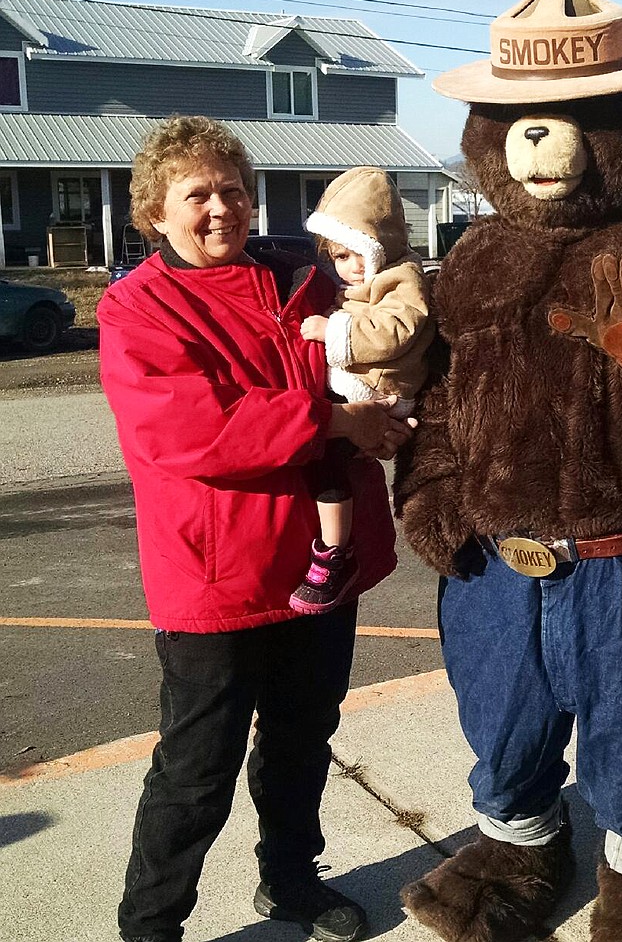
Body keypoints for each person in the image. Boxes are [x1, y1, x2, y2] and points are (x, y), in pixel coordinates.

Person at [98, 116, 414, 942]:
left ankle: (290, 879)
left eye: (232, 190)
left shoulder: (300, 280)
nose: (219, 210)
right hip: (217, 576)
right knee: (196, 768)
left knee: (304, 738)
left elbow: (385, 341)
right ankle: (151, 923)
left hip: (321, 561)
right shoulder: (138, 309)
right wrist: (337, 425)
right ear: (155, 214)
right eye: (195, 195)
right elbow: (192, 430)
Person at [291, 166, 433, 614]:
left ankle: (335, 553)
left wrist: (331, 330)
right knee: (320, 456)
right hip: (363, 384)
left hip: (383, 388)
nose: (350, 266)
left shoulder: (403, 279)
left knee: (327, 457)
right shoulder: (365, 283)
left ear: (382, 243)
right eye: (338, 257)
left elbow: (396, 330)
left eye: (357, 254)